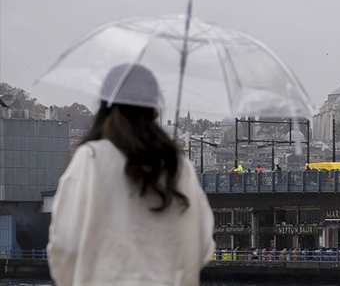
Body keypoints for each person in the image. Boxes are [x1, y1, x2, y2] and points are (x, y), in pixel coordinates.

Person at [47, 64, 214, 286]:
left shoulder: (91, 159)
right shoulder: (180, 167)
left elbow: (65, 243)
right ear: (153, 108)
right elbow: (202, 247)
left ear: (107, 106)